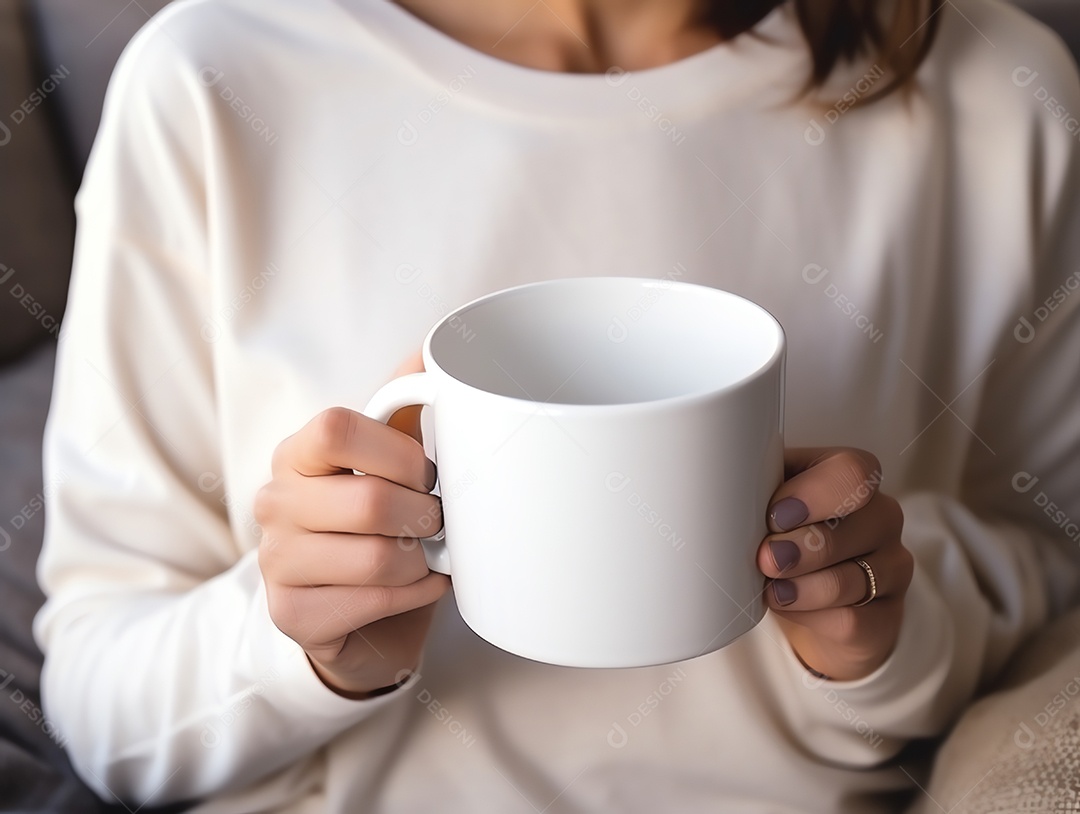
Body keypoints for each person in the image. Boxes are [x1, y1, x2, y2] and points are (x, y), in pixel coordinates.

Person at [33, 0, 1080, 811]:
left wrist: (886, 639)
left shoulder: (994, 95)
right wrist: (297, 650)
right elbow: (101, 694)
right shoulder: (210, 81)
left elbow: (1051, 565)